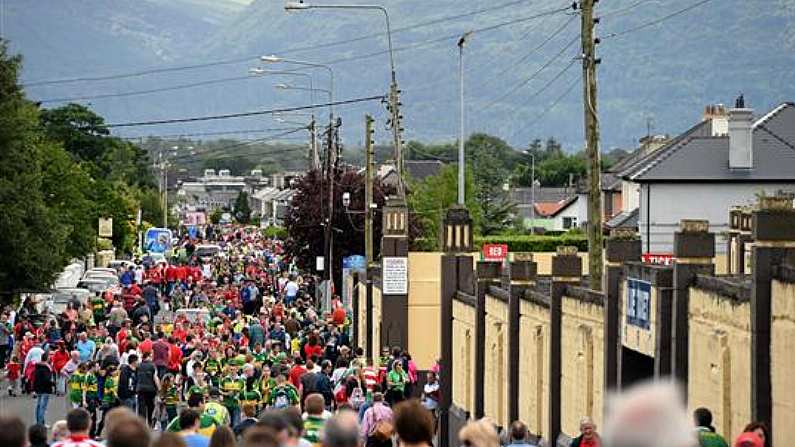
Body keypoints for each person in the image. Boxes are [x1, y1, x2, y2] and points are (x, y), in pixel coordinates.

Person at [137, 351, 160, 426]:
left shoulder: (139, 365)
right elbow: (155, 378)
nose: (152, 357)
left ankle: (141, 425)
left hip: (140, 389)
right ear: (148, 356)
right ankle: (150, 423)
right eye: (151, 356)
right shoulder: (152, 366)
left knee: (141, 408)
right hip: (151, 390)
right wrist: (159, 388)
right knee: (150, 407)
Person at [33, 351, 56, 425]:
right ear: (47, 359)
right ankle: (41, 423)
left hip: (38, 388)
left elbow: (35, 378)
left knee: (39, 405)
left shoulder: (38, 367)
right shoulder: (46, 368)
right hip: (45, 388)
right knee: (43, 407)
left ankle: (39, 422)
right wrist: (53, 383)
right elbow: (47, 379)